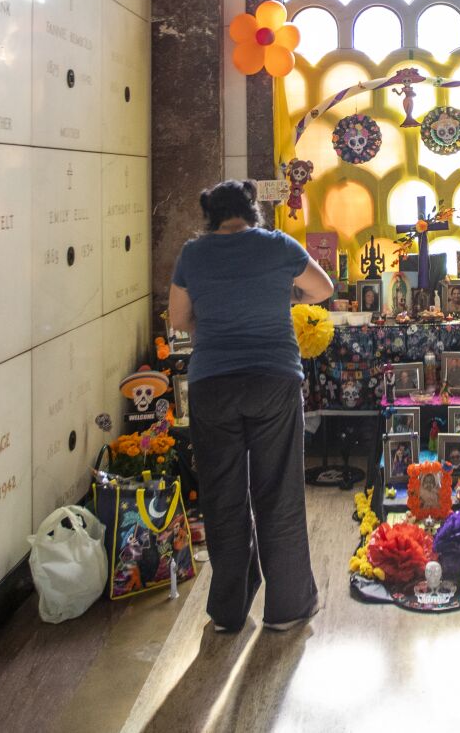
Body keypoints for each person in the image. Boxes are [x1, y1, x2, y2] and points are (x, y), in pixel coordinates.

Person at [168, 180, 334, 633]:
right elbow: (322, 288)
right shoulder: (277, 245)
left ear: (211, 216)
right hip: (273, 381)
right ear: (252, 210)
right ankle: (287, 609)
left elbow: (179, 320)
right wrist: (284, 295)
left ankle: (228, 611)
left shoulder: (192, 254)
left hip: (212, 386)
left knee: (223, 497)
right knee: (277, 492)